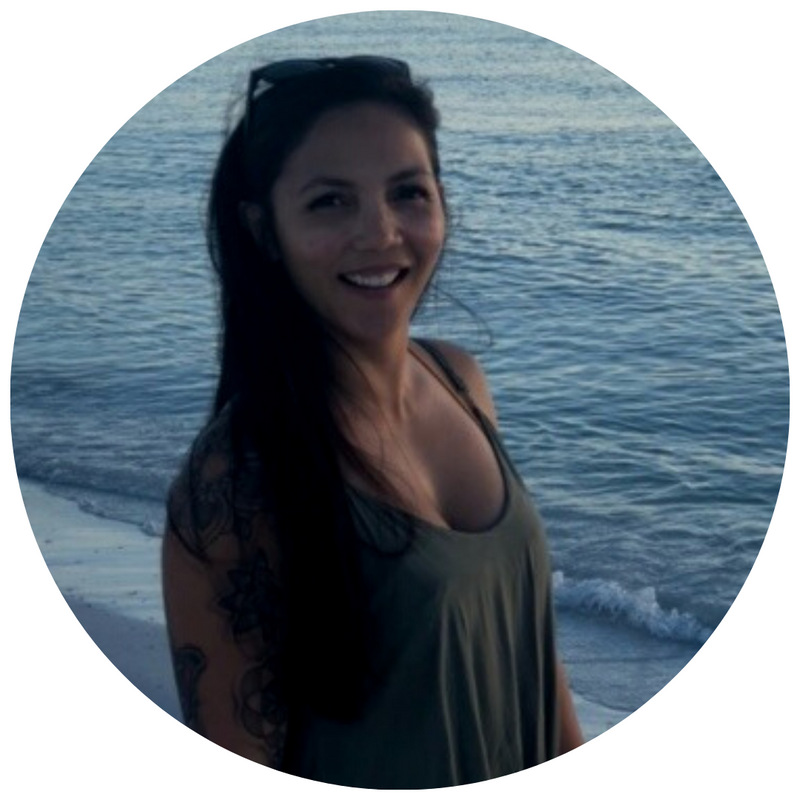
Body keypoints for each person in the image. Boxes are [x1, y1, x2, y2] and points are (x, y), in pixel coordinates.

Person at [162, 55, 583, 789]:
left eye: (407, 192)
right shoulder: (235, 484)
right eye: (330, 202)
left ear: (442, 202)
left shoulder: (460, 382)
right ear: (265, 230)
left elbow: (536, 666)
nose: (380, 232)